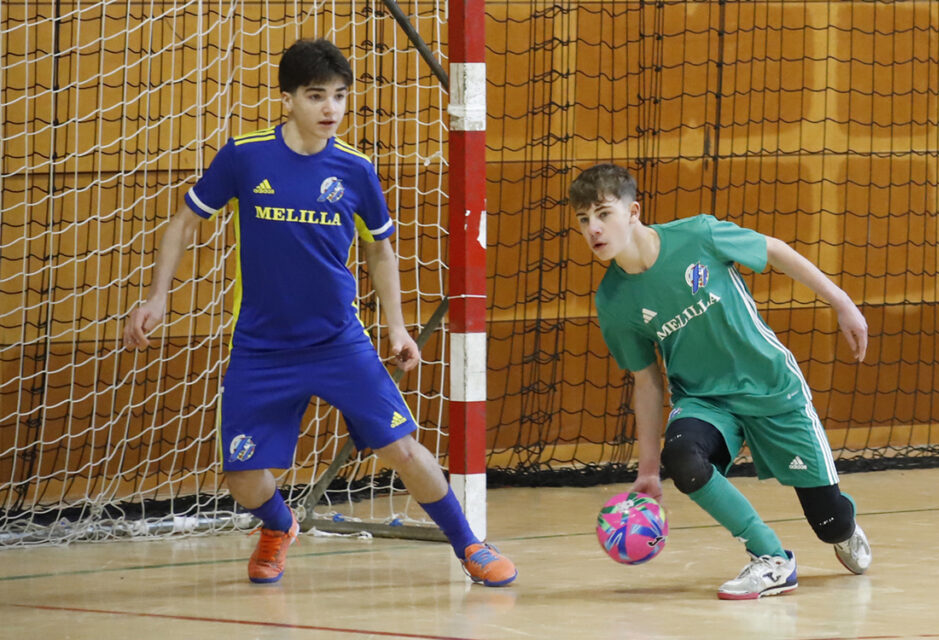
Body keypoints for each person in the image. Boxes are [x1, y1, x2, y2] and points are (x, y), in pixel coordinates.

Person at [123, 38, 516, 588]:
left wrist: (398, 326)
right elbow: (184, 223)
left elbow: (381, 248)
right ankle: (280, 526)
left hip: (339, 342)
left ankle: (469, 545)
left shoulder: (355, 170)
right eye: (316, 96)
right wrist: (158, 295)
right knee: (241, 477)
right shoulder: (245, 156)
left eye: (339, 96)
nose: (331, 109)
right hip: (262, 346)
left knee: (402, 447)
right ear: (287, 99)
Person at [569, 163, 871, 600]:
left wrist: (841, 302)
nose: (593, 228)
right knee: (683, 457)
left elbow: (775, 250)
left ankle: (842, 525)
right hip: (705, 401)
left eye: (602, 213)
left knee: (830, 523)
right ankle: (770, 557)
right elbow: (648, 382)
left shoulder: (698, 236)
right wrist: (649, 470)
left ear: (633, 211)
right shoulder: (613, 301)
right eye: (583, 220)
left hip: (770, 386)